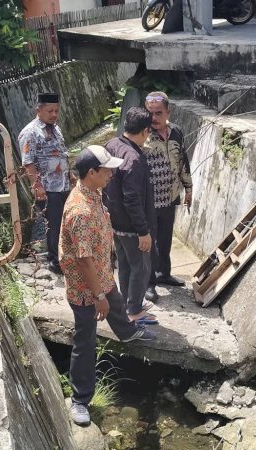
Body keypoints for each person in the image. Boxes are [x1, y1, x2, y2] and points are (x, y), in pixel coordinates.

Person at [61, 145, 157, 427]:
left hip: (102, 274)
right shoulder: (80, 211)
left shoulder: (93, 194)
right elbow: (84, 260)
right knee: (85, 339)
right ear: (91, 173)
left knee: (115, 302)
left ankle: (127, 333)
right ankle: (80, 399)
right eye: (107, 171)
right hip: (85, 287)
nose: (111, 175)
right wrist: (97, 294)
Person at [104, 107, 159, 324]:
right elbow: (132, 199)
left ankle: (127, 303)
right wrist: (143, 231)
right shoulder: (133, 158)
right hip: (131, 225)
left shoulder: (112, 144)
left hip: (114, 220)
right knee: (141, 267)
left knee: (125, 264)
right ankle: (135, 310)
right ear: (146, 131)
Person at [143, 92, 193, 301]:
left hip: (171, 196)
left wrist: (188, 189)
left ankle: (164, 273)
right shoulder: (142, 135)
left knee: (165, 239)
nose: (154, 118)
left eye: (158, 113)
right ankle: (148, 283)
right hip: (150, 199)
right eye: (150, 113)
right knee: (149, 242)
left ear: (168, 112)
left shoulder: (177, 132)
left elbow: (183, 161)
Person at [19, 93, 74, 273]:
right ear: (39, 110)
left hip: (63, 184)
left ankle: (66, 255)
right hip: (47, 188)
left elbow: (62, 153)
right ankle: (55, 260)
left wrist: (70, 175)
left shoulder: (55, 128)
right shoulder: (31, 132)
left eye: (56, 111)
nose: (53, 114)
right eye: (49, 111)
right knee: (54, 224)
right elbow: (28, 162)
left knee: (66, 222)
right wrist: (37, 185)